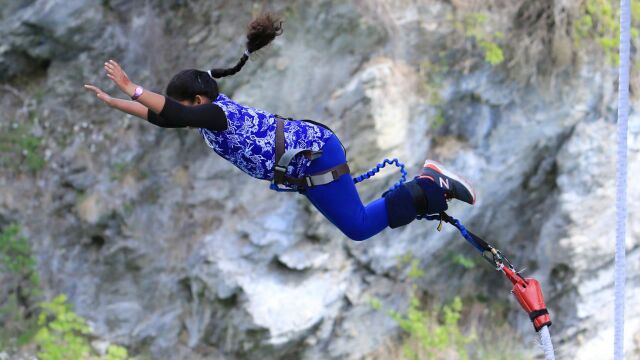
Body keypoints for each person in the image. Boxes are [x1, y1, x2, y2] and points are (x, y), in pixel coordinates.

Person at [84, 14, 475, 241]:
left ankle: (428, 185)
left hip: (317, 157)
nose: (179, 113)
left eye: (183, 105)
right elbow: (163, 116)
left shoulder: (218, 115)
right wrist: (115, 101)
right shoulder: (206, 121)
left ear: (198, 101)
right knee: (357, 225)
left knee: (358, 226)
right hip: (306, 168)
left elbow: (173, 112)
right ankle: (425, 188)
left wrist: (131, 87)